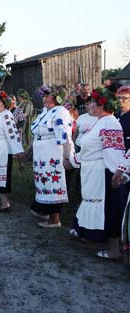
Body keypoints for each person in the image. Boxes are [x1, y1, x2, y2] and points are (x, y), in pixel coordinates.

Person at [69, 88, 126, 260]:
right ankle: (91, 236)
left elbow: (114, 151)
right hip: (93, 171)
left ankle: (114, 250)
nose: (89, 105)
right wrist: (74, 161)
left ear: (101, 105)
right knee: (100, 207)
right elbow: (89, 147)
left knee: (108, 209)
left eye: (92, 102)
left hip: (104, 173)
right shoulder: (99, 122)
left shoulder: (110, 123)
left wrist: (116, 173)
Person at [30, 85, 74, 228]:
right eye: (44, 96)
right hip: (42, 154)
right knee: (45, 181)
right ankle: (45, 210)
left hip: (54, 152)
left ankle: (55, 219)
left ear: (57, 98)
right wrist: (28, 150)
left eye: (48, 96)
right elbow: (36, 131)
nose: (45, 99)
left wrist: (67, 157)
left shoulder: (61, 112)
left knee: (55, 181)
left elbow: (64, 135)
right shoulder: (44, 111)